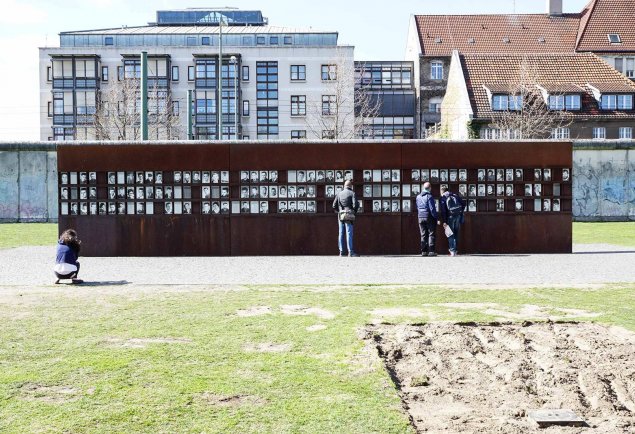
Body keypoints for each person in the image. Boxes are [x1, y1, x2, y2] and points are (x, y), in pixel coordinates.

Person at [332, 179, 359, 257]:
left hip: (340, 215)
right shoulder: (352, 193)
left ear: (344, 186)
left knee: (341, 233)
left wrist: (340, 211)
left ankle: (341, 252)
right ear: (351, 186)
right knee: (349, 233)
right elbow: (355, 205)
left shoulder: (339, 194)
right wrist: (353, 211)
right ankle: (350, 252)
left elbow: (334, 205)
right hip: (349, 214)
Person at [416, 182, 439, 256]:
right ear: (430, 188)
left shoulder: (418, 197)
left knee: (423, 234)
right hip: (429, 217)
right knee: (431, 234)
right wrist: (436, 217)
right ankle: (431, 251)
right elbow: (432, 209)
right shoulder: (429, 196)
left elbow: (417, 207)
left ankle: (424, 251)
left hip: (420, 217)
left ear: (423, 188)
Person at [440, 186, 465, 257]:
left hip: (449, 217)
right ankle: (456, 251)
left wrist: (444, 221)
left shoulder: (443, 197)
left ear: (442, 191)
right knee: (456, 233)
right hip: (457, 216)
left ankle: (452, 251)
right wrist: (460, 212)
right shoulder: (455, 195)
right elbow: (463, 204)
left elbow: (443, 211)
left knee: (450, 234)